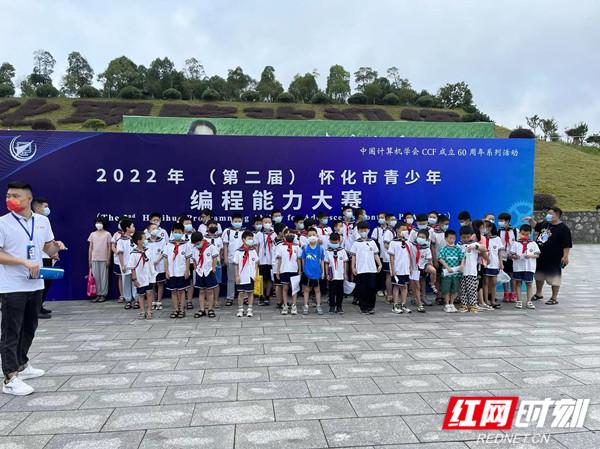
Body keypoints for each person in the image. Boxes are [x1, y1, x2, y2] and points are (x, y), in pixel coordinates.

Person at [0, 181, 66, 396]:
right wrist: (23, 262)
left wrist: (56, 247)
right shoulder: (3, 223)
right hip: (12, 286)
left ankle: (22, 364)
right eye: (8, 195)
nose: (10, 199)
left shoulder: (42, 221)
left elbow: (47, 247)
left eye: (16, 196)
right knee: (11, 330)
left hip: (35, 282)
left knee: (29, 327)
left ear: (28, 199)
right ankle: (10, 377)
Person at [526, 207, 572, 306]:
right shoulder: (545, 223)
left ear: (557, 215)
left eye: (551, 214)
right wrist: (530, 220)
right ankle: (538, 294)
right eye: (548, 213)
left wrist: (565, 256)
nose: (548, 215)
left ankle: (554, 298)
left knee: (554, 277)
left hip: (554, 257)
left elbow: (567, 244)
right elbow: (536, 226)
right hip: (540, 255)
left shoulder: (563, 228)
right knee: (539, 275)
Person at [349, 221, 382, 314]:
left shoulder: (372, 242)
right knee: (362, 289)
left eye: (365, 230)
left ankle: (371, 307)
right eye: (361, 230)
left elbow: (375, 254)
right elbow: (353, 256)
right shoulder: (356, 243)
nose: (364, 232)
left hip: (372, 269)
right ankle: (363, 307)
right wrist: (353, 267)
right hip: (361, 269)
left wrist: (379, 264)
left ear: (368, 230)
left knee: (372, 288)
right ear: (358, 231)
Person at [31, 197, 54, 319]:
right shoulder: (30, 221)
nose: (47, 209)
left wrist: (54, 251)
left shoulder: (45, 221)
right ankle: (35, 309)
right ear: (38, 207)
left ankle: (39, 306)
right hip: (38, 258)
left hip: (47, 256)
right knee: (40, 284)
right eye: (45, 206)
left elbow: (48, 240)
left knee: (47, 283)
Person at [457, 225, 488, 313]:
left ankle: (473, 305)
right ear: (460, 236)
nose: (466, 239)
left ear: (471, 236)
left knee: (472, 289)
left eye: (468, 237)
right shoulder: (458, 245)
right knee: (463, 289)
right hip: (462, 272)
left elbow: (484, 249)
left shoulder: (474, 244)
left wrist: (475, 247)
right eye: (464, 237)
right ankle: (464, 305)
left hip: (472, 272)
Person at [509, 224, 540, 309]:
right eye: (523, 234)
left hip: (529, 267)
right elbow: (511, 255)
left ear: (530, 233)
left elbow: (537, 255)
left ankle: (529, 301)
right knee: (518, 283)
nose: (524, 236)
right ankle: (519, 301)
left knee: (529, 283)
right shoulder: (516, 243)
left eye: (527, 234)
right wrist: (515, 256)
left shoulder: (533, 244)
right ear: (519, 233)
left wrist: (530, 256)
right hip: (518, 267)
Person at [163, 223, 190, 318]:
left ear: (183, 233)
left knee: (182, 291)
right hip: (171, 272)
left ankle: (182, 309)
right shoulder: (168, 245)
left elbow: (187, 259)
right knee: (173, 291)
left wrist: (187, 271)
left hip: (182, 272)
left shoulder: (186, 245)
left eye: (179, 232)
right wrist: (166, 271)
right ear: (172, 232)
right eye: (175, 232)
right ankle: (175, 309)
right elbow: (165, 259)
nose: (177, 234)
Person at [191, 231, 219, 318]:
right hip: (200, 271)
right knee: (201, 291)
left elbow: (214, 258)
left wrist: (213, 268)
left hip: (208, 271)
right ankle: (202, 309)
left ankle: (210, 309)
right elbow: (194, 260)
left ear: (202, 240)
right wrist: (195, 268)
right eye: (195, 244)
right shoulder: (194, 248)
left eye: (198, 243)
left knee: (210, 291)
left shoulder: (210, 247)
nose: (197, 245)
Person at [388, 222, 413, 314]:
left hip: (405, 269)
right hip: (397, 269)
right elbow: (391, 257)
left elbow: (409, 256)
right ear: (397, 230)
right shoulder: (393, 242)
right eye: (403, 229)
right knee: (397, 286)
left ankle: (403, 304)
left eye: (406, 229)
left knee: (405, 286)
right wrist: (392, 269)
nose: (404, 231)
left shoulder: (407, 242)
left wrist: (410, 267)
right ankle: (395, 305)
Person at [275, 227, 302, 315]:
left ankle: (294, 305)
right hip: (284, 270)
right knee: (285, 288)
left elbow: (298, 259)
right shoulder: (281, 247)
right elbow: (279, 260)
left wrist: (300, 270)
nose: (289, 235)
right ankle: (285, 305)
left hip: (294, 270)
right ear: (284, 236)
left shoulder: (296, 247)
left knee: (294, 289)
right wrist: (278, 271)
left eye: (291, 234)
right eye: (287, 234)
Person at [129, 231, 155, 319]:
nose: (146, 240)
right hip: (140, 277)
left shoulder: (148, 250)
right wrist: (134, 279)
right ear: (138, 241)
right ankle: (142, 311)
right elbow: (132, 267)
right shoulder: (133, 253)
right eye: (144, 238)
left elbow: (151, 262)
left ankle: (149, 310)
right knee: (141, 294)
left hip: (149, 276)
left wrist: (153, 274)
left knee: (149, 293)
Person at [233, 231, 259, 317]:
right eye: (249, 238)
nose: (251, 240)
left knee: (250, 293)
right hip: (241, 276)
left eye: (252, 238)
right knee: (241, 293)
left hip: (251, 275)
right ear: (244, 240)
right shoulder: (238, 252)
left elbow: (256, 263)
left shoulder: (253, 251)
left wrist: (256, 274)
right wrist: (237, 276)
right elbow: (236, 264)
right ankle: (240, 309)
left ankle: (250, 309)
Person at [438, 229, 464, 313]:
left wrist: (461, 266)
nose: (452, 240)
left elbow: (462, 257)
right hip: (447, 273)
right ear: (446, 238)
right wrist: (447, 267)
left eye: (453, 238)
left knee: (455, 289)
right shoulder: (443, 249)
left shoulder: (457, 248)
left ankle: (452, 303)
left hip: (456, 273)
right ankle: (447, 304)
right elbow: (440, 258)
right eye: (450, 238)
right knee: (446, 289)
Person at [301, 228, 325, 315]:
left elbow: (322, 260)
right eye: (310, 235)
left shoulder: (320, 249)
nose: (312, 237)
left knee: (317, 290)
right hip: (307, 273)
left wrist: (323, 271)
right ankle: (305, 306)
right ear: (307, 237)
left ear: (317, 236)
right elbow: (303, 259)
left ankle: (318, 306)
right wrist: (303, 270)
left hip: (317, 273)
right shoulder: (305, 248)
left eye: (314, 235)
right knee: (306, 290)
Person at [222, 213, 245, 306]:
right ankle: (230, 297)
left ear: (242, 221)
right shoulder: (227, 231)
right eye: (235, 221)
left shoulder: (245, 231)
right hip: (231, 259)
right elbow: (225, 246)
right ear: (231, 221)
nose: (237, 223)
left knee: (243, 279)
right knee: (231, 279)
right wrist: (225, 258)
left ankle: (245, 297)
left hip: (243, 259)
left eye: (239, 221)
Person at [87, 216, 111, 303]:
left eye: (100, 223)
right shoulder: (92, 234)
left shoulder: (107, 234)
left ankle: (103, 294)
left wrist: (108, 259)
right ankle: (97, 294)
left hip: (104, 259)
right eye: (97, 223)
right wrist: (89, 259)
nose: (98, 224)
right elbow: (90, 248)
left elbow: (109, 248)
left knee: (104, 277)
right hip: (94, 259)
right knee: (96, 278)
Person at [372, 211, 394, 302]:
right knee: (380, 273)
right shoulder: (376, 230)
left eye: (382, 217)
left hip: (387, 255)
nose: (381, 219)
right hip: (380, 254)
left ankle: (387, 290)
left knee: (388, 274)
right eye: (379, 218)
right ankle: (380, 289)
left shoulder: (391, 230)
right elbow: (374, 242)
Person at [256, 215, 277, 306]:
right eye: (265, 222)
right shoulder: (259, 234)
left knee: (270, 279)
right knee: (262, 279)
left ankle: (267, 296)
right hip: (262, 260)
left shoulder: (274, 234)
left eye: (269, 222)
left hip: (272, 260)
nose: (267, 224)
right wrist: (256, 259)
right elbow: (257, 247)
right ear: (262, 223)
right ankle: (261, 296)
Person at [324, 232, 347, 314]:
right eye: (332, 242)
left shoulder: (342, 251)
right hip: (332, 274)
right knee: (331, 291)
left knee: (340, 292)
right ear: (330, 241)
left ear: (339, 241)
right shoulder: (327, 251)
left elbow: (345, 262)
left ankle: (339, 306)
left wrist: (345, 273)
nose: (334, 243)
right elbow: (326, 263)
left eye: (336, 241)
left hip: (340, 274)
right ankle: (332, 306)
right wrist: (327, 274)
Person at [498, 212, 518, 303]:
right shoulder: (499, 231)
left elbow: (517, 244)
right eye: (499, 220)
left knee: (512, 276)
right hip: (503, 257)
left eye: (501, 220)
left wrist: (513, 254)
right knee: (504, 275)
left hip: (512, 257)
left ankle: (513, 294)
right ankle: (506, 293)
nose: (500, 222)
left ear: (507, 221)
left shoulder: (515, 231)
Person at [483, 220, 503, 308]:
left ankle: (493, 300)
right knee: (485, 282)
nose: (484, 228)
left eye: (486, 227)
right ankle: (486, 300)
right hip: (484, 264)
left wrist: (501, 262)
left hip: (494, 263)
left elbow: (500, 251)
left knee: (494, 282)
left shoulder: (497, 238)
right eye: (483, 227)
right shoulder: (481, 238)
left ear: (490, 228)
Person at [146, 222, 167, 310]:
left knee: (160, 283)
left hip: (159, 265)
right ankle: (153, 301)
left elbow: (164, 251)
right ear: (148, 230)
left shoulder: (162, 240)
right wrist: (150, 262)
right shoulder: (146, 241)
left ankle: (159, 301)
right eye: (153, 228)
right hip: (150, 265)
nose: (155, 230)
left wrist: (157, 260)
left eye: (156, 229)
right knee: (152, 284)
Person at [116, 219, 135, 309]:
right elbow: (120, 253)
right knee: (126, 282)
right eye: (132, 226)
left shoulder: (135, 238)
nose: (134, 228)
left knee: (135, 281)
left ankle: (136, 299)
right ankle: (128, 300)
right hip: (126, 265)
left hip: (134, 265)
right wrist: (122, 265)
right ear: (127, 228)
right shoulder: (121, 240)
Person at [111, 219, 125, 302]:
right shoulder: (116, 234)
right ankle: (122, 295)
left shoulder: (131, 234)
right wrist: (118, 253)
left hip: (128, 260)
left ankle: (132, 297)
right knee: (120, 277)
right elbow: (113, 246)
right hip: (118, 260)